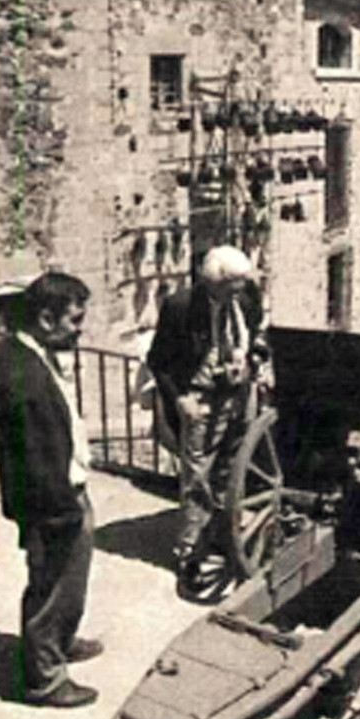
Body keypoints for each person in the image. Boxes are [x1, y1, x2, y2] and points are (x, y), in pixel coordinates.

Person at [0, 270, 103, 708]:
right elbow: (33, 458)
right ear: (46, 319)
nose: (80, 329)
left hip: (62, 489)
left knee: (67, 581)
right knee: (52, 583)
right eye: (74, 320)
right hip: (52, 501)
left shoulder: (21, 353)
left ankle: (60, 641)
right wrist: (62, 513)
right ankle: (45, 679)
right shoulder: (22, 375)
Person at [147, 245, 269, 591]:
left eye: (244, 281)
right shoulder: (181, 307)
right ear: (214, 282)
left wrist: (257, 359)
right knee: (197, 478)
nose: (242, 288)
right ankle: (190, 552)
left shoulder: (245, 297)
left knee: (231, 470)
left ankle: (223, 537)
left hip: (239, 394)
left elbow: (258, 330)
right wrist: (180, 399)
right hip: (200, 400)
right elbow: (158, 361)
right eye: (235, 283)